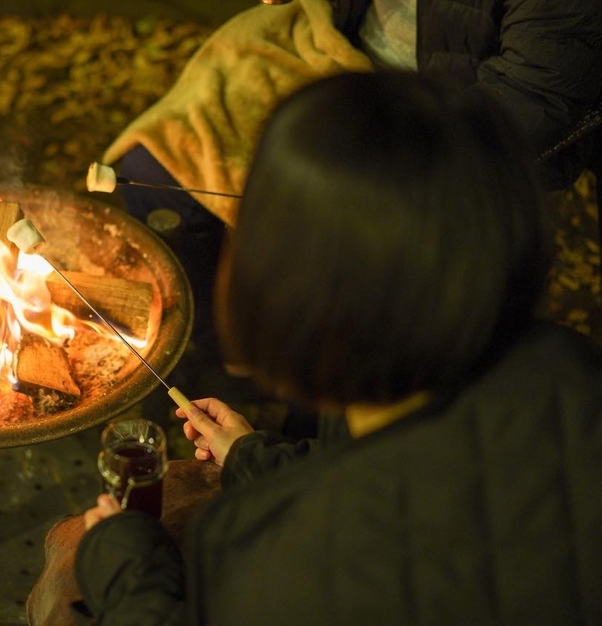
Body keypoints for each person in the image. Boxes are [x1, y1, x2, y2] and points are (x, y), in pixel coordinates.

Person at [72, 71, 602, 625]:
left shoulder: (277, 558)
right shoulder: (568, 365)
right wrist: (252, 456)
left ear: (291, 297)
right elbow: (402, 476)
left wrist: (125, 571)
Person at [103, 0, 602, 347]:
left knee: (340, 254)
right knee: (154, 170)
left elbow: (532, 105)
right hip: (336, 49)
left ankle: (322, 393)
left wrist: (380, 173)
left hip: (445, 122)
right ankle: (229, 352)